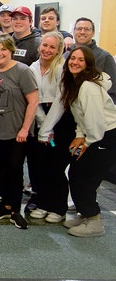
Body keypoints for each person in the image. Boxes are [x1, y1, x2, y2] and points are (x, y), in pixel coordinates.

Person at [40, 47, 116, 237]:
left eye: (81, 60)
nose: (75, 62)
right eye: (72, 58)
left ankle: (95, 221)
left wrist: (86, 142)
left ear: (88, 64)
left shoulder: (89, 87)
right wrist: (79, 134)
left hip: (104, 136)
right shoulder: (74, 83)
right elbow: (80, 116)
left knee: (84, 178)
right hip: (94, 135)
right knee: (76, 174)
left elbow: (96, 122)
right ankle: (87, 216)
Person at [0, 34, 38, 229]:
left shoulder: (22, 71)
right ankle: (5, 205)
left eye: (3, 49)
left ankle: (15, 211)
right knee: (1, 170)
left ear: (11, 50)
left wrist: (25, 128)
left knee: (15, 170)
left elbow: (33, 101)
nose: (0, 53)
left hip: (17, 132)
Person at [26, 32, 70, 223]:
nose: (47, 50)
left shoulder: (61, 68)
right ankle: (42, 203)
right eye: (45, 45)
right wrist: (42, 124)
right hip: (38, 117)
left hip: (59, 121)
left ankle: (58, 207)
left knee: (55, 166)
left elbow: (61, 101)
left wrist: (47, 129)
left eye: (52, 47)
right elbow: (33, 98)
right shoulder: (32, 67)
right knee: (38, 165)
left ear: (59, 50)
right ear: (39, 46)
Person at [68, 17, 116, 101]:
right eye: (79, 29)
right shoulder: (66, 55)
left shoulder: (105, 57)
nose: (82, 32)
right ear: (74, 31)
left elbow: (112, 91)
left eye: (87, 29)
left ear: (93, 33)